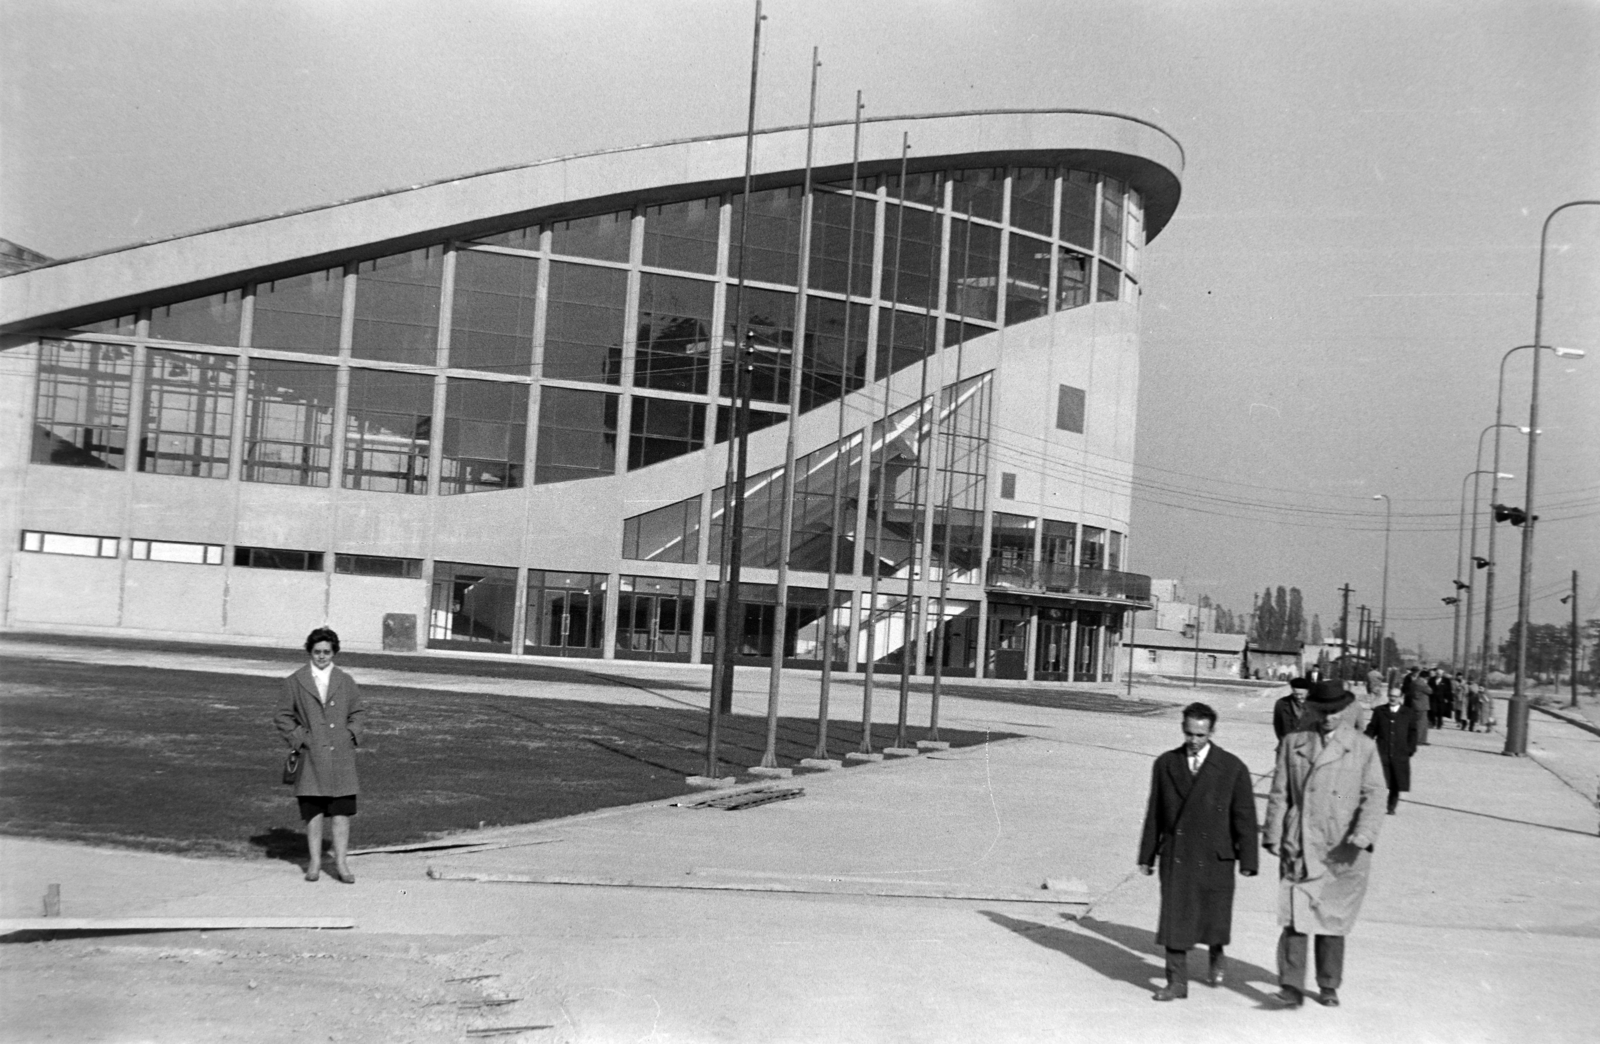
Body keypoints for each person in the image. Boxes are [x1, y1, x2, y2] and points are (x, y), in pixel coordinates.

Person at [1262, 680, 1386, 1009]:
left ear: (1346, 710)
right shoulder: (1294, 743)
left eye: (1335, 712)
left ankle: (1328, 984)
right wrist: (1273, 833)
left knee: (1332, 918)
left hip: (1341, 846)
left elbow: (1375, 794)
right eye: (1322, 711)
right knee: (1295, 918)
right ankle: (1290, 984)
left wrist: (1364, 833)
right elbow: (1280, 792)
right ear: (1312, 710)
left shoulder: (1362, 747)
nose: (1328, 718)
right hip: (1300, 841)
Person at [1137, 703, 1260, 1000]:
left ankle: (1216, 953)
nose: (1194, 740)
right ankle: (1176, 982)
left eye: (1200, 735)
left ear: (1212, 732)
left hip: (1214, 855)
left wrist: (1248, 859)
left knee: (1212, 917)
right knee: (1174, 919)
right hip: (1178, 853)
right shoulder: (1166, 763)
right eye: (1189, 733)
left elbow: (1244, 814)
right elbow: (1155, 811)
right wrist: (1146, 855)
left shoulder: (1232, 767)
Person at [275, 627, 366, 884]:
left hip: (341, 758)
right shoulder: (295, 681)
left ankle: (341, 864)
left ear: (334, 652)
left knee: (341, 815)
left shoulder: (345, 681)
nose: (322, 656)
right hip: (311, 758)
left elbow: (358, 713)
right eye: (317, 652)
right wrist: (300, 738)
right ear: (310, 652)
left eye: (327, 651)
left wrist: (351, 734)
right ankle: (314, 863)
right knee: (313, 815)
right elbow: (282, 716)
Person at [1364, 687, 1418, 814]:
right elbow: (1372, 729)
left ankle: (1391, 806)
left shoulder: (1408, 713)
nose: (1392, 698)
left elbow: (1413, 733)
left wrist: (1410, 749)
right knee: (1381, 781)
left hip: (1400, 753)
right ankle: (1379, 804)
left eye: (1395, 696)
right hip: (1382, 751)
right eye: (1391, 696)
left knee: (1396, 782)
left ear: (1401, 698)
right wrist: (1363, 742)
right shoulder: (1379, 711)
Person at [1273, 677, 1312, 745]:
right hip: (1287, 745)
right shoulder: (1281, 704)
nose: (1298, 697)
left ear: (1308, 691)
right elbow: (1278, 726)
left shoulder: (1315, 704)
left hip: (1308, 747)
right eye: (1296, 694)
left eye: (1301, 694)